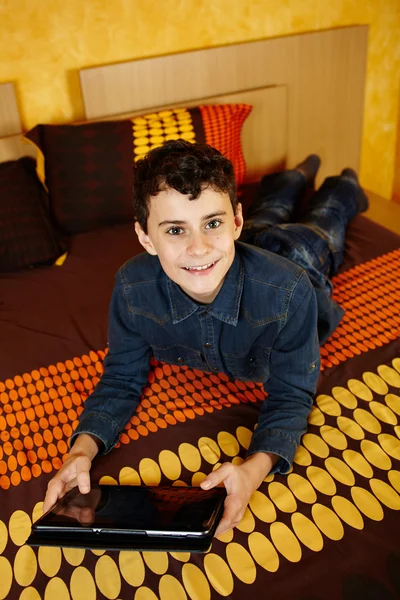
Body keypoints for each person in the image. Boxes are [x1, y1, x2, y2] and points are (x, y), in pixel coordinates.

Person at [43, 140, 368, 536]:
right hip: (237, 251)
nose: (198, 248)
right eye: (176, 229)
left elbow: (291, 394)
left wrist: (254, 467)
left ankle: (338, 184)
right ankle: (290, 180)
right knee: (271, 215)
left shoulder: (290, 291)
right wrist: (82, 451)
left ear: (233, 221)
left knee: (325, 222)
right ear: (145, 237)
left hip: (296, 259)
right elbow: (121, 377)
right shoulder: (132, 288)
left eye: (212, 222)